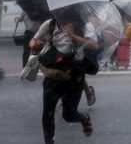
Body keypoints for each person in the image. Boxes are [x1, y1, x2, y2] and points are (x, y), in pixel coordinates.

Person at [29, 8, 97, 144]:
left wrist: (73, 35)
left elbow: (94, 45)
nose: (60, 13)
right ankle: (49, 141)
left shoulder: (84, 25)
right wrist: (34, 43)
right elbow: (33, 40)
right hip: (54, 71)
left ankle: (84, 119)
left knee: (69, 115)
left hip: (74, 74)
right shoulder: (50, 24)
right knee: (47, 114)